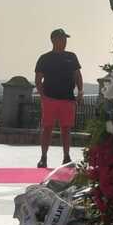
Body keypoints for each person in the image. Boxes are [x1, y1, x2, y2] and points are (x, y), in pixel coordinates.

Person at [34, 28, 83, 168]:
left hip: (68, 98)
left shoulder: (71, 56)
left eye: (66, 39)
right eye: (63, 38)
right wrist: (43, 96)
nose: (65, 41)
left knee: (66, 129)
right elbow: (38, 79)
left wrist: (80, 91)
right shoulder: (45, 58)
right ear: (54, 40)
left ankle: (66, 157)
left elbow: (77, 75)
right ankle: (43, 157)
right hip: (50, 98)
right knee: (47, 128)